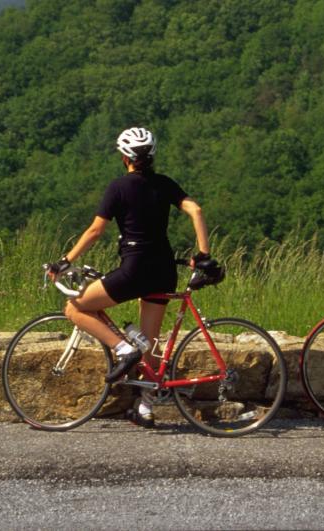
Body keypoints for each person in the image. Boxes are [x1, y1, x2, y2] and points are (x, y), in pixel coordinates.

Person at [46, 126, 220, 428]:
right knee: (149, 344)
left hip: (135, 270)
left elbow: (95, 231)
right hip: (164, 271)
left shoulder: (118, 187)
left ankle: (122, 349)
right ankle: (145, 408)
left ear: (125, 157)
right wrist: (203, 254)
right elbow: (196, 209)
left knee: (75, 308)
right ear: (151, 155)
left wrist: (65, 261)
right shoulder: (164, 184)